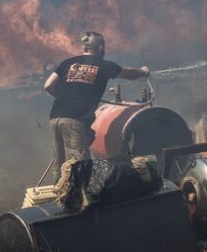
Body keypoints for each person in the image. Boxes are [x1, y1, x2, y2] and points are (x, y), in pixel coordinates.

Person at [44, 31, 150, 180]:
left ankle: (59, 196)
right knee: (79, 167)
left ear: (84, 47)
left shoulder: (68, 63)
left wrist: (65, 97)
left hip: (55, 117)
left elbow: (48, 85)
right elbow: (128, 74)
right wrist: (143, 71)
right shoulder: (104, 65)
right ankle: (81, 200)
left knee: (60, 164)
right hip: (74, 120)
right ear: (100, 47)